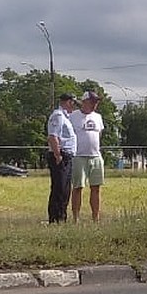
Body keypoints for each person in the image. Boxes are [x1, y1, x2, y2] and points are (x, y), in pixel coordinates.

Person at [69, 89, 105, 222]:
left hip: (95, 156)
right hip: (79, 156)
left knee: (96, 188)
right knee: (78, 187)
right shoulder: (73, 116)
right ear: (85, 102)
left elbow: (99, 134)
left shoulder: (98, 117)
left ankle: (96, 218)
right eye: (93, 102)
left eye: (96, 102)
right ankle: (76, 218)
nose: (95, 104)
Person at [45, 93, 77, 224]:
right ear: (68, 102)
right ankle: (55, 218)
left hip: (67, 156)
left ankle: (62, 216)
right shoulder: (58, 116)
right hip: (60, 155)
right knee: (59, 188)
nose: (74, 106)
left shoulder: (66, 117)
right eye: (73, 103)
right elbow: (53, 136)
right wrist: (58, 155)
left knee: (65, 189)